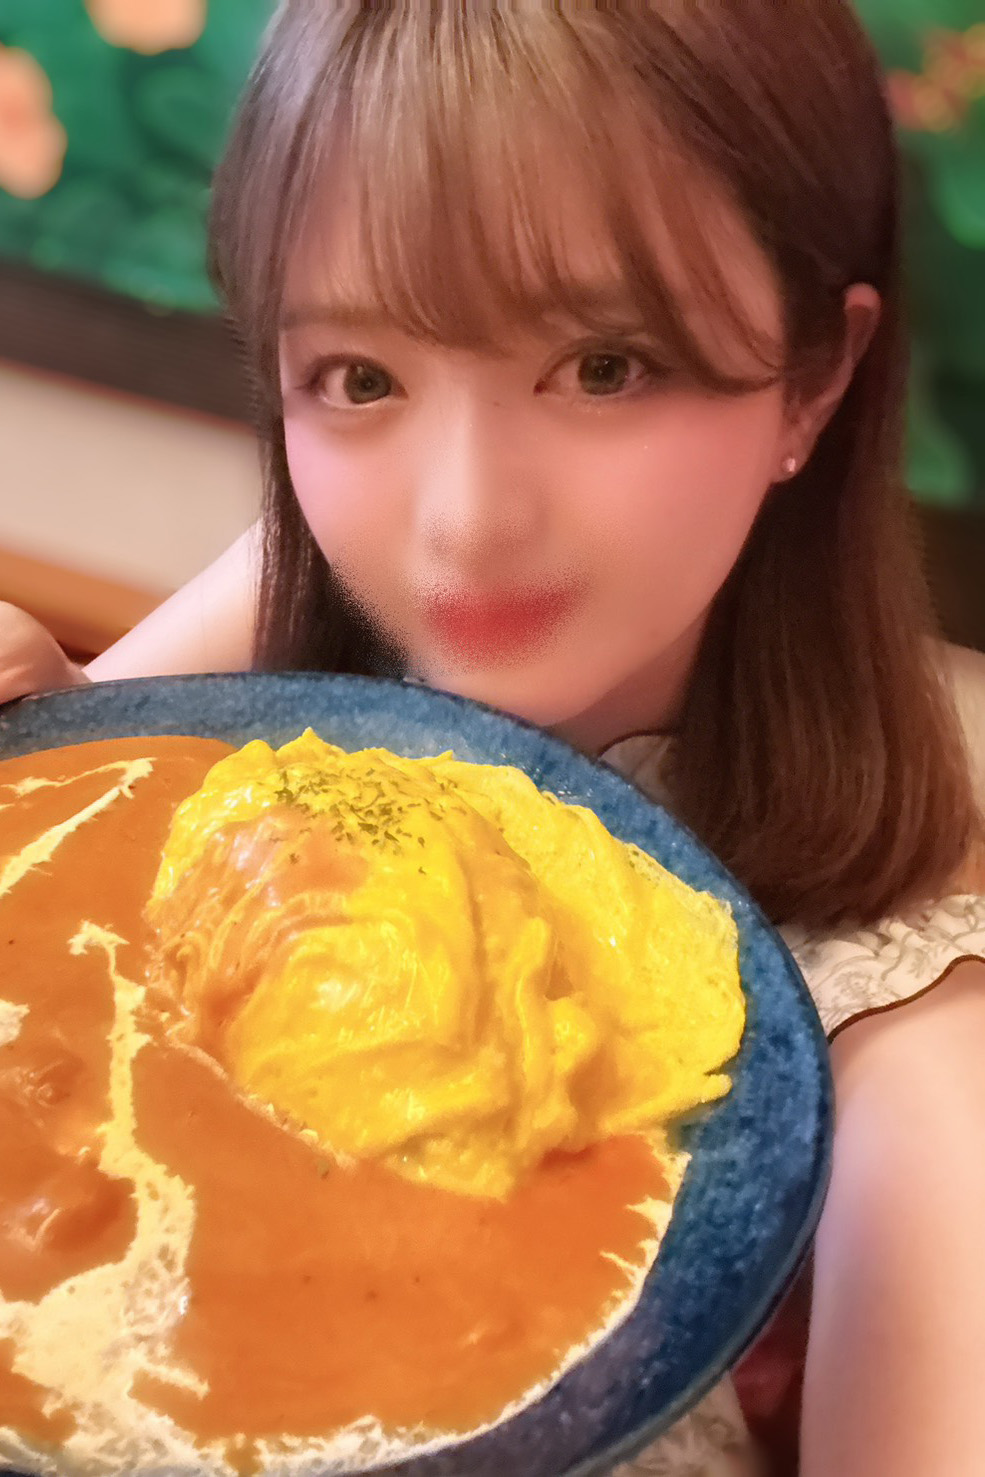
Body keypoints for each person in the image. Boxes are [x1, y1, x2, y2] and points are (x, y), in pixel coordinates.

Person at [2, 3, 984, 1471]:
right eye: (362, 378)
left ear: (813, 378)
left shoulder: (914, 1081)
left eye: (605, 366)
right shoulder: (300, 623)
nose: (464, 519)